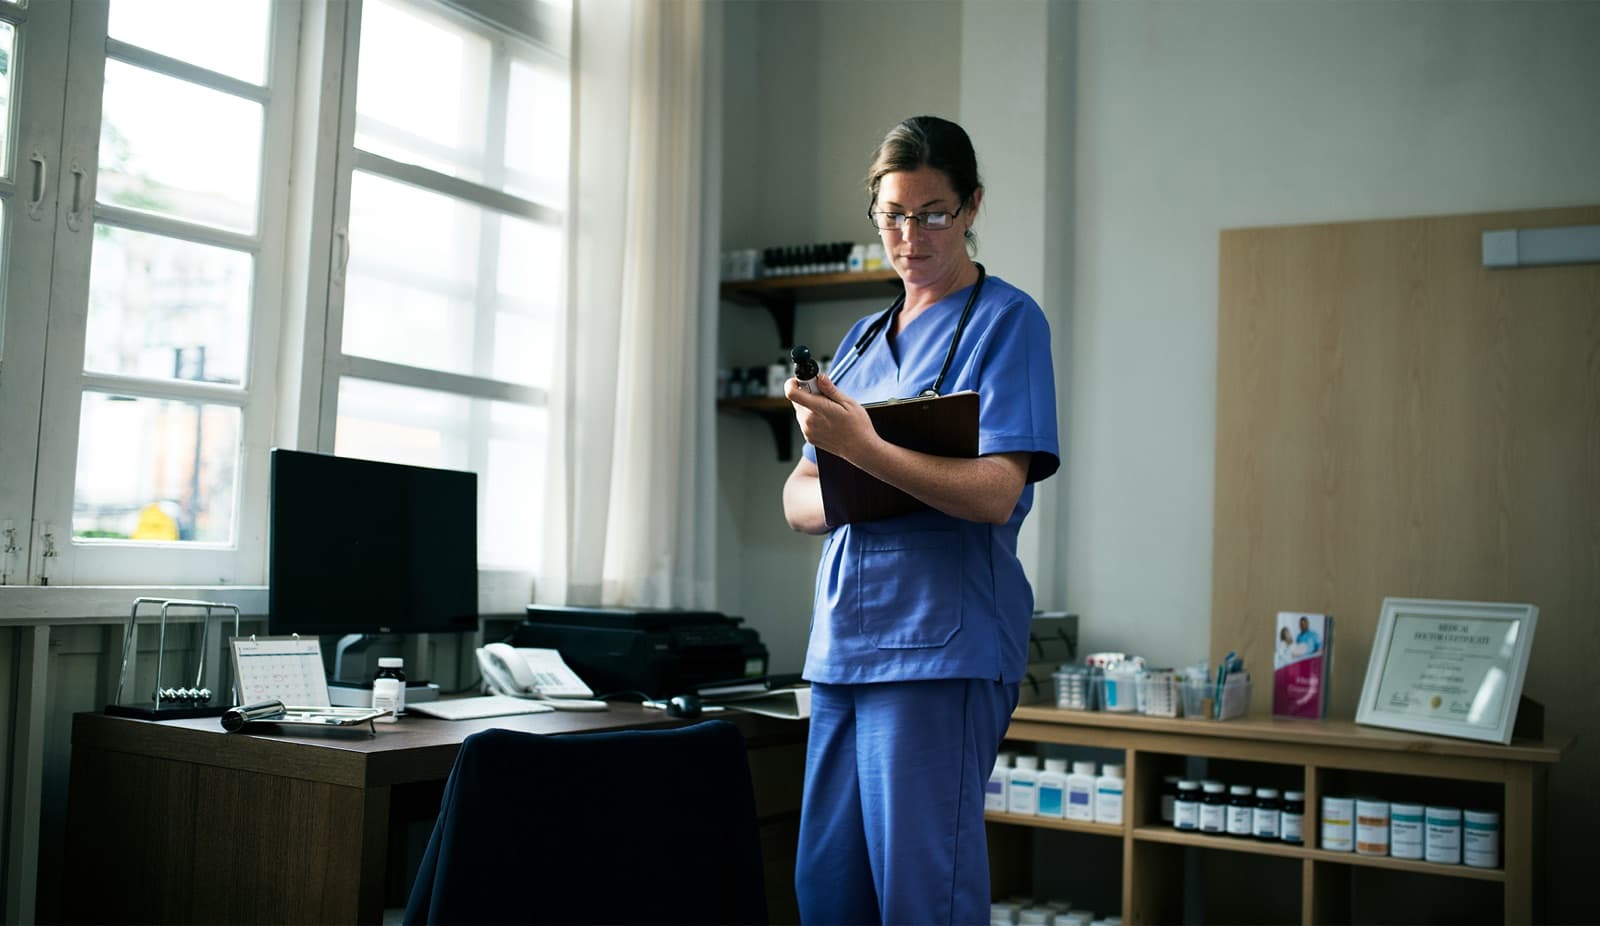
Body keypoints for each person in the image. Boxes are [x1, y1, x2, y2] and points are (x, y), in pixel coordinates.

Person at [781, 115, 1060, 926]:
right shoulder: (862, 341)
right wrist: (850, 464)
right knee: (829, 894)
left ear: (972, 207)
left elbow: (996, 492)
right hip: (843, 649)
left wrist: (861, 447)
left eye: (933, 213)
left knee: (920, 898)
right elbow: (799, 500)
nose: (910, 236)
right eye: (893, 214)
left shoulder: (1008, 322)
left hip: (940, 648)